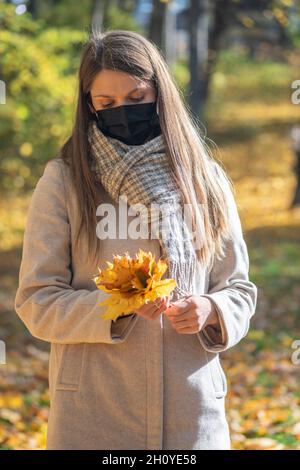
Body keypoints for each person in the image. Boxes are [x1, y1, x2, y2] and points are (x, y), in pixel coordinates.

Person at [14, 30, 258, 450]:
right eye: (106, 104)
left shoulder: (206, 180)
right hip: (93, 413)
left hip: (190, 410)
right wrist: (115, 308)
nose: (122, 112)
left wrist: (211, 308)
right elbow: (36, 300)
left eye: (136, 97)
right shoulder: (65, 181)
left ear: (160, 95)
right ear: (89, 105)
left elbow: (239, 288)